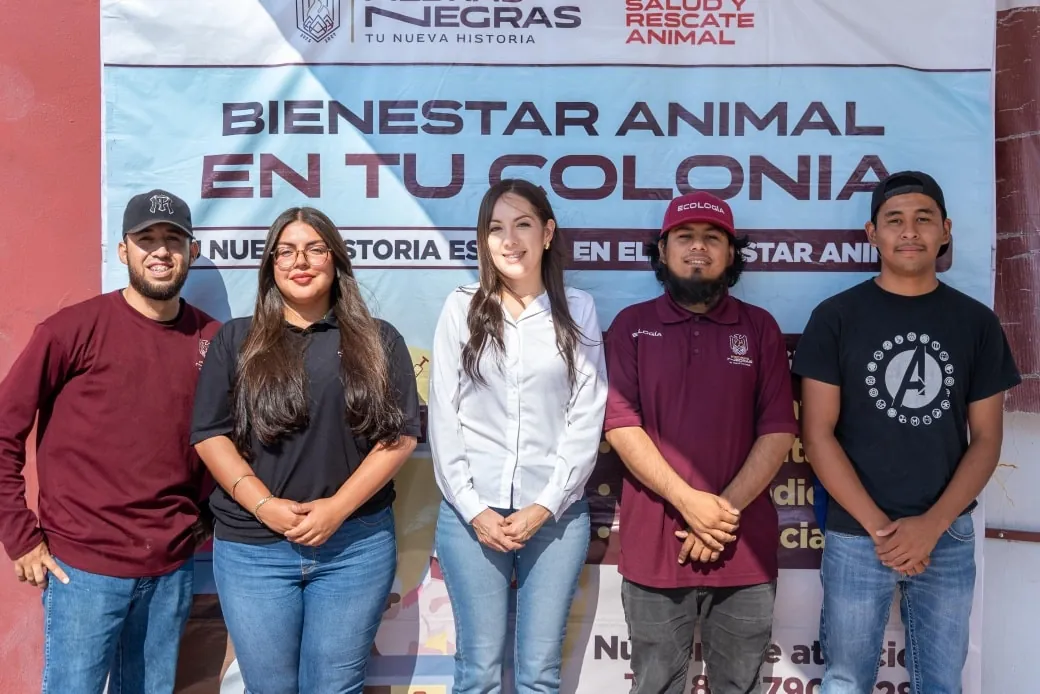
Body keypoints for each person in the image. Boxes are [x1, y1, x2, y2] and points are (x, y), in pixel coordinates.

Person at [794, 171, 1020, 694]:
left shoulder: (976, 323)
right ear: (871, 234)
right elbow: (818, 433)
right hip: (856, 532)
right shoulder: (835, 318)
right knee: (845, 680)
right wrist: (880, 528)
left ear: (945, 231)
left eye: (923, 219)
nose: (909, 231)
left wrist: (932, 525)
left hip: (948, 532)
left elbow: (986, 438)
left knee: (941, 682)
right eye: (894, 221)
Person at [190, 207, 421, 694]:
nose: (301, 261)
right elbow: (211, 435)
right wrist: (264, 506)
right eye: (287, 251)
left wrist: (337, 509)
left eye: (315, 249)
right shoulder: (236, 340)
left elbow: (399, 435)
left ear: (336, 261)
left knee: (334, 688)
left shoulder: (379, 340)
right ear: (271, 264)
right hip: (253, 549)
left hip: (353, 548)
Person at [0, 190, 217, 694]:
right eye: (146, 240)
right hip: (82, 571)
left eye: (173, 240)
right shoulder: (71, 331)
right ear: (123, 251)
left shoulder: (213, 339)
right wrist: (20, 535)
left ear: (193, 252)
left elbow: (226, 441)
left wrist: (202, 515)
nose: (160, 251)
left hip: (170, 570)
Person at [603, 191, 798, 694]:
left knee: (742, 685)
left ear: (732, 254)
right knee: (654, 686)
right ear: (662, 250)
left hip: (743, 550)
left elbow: (777, 431)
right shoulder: (631, 326)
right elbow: (622, 427)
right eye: (685, 237)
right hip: (655, 549)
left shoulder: (759, 328)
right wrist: (691, 503)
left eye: (713, 238)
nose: (698, 247)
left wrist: (720, 513)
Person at [428, 179, 607, 694]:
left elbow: (585, 418)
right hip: (470, 515)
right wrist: (475, 510)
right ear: (483, 242)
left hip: (554, 517)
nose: (509, 240)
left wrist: (545, 505)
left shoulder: (579, 309)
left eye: (522, 224)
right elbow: (444, 418)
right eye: (495, 228)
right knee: (478, 673)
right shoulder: (460, 307)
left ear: (548, 233)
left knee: (539, 677)